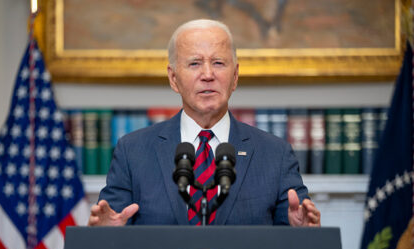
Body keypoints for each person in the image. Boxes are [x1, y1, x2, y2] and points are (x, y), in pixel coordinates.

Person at [88, 19, 320, 227]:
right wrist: (105, 236)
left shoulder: (275, 154)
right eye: (195, 63)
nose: (208, 74)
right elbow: (112, 232)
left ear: (235, 76)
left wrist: (302, 234)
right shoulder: (133, 151)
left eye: (218, 63)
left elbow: (294, 240)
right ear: (173, 78)